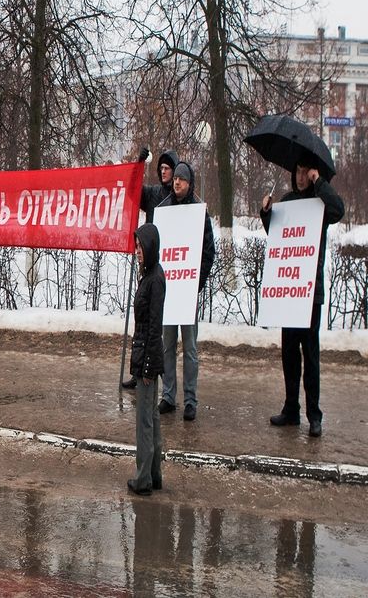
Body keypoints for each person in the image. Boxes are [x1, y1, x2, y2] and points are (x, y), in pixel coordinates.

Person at [260, 152, 345, 438]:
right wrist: (266, 214)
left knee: (310, 355)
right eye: (297, 171)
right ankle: (291, 409)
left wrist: (319, 182)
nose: (300, 176)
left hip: (310, 292)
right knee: (288, 355)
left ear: (313, 173)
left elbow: (339, 210)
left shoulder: (321, 203)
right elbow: (279, 238)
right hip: (289, 292)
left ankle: (314, 414)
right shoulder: (287, 202)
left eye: (305, 171)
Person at [155, 161, 215, 420]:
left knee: (189, 349)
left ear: (189, 183)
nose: (176, 182)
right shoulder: (164, 209)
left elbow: (207, 253)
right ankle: (169, 395)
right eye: (175, 178)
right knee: (167, 346)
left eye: (182, 178)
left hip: (188, 292)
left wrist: (196, 283)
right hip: (169, 292)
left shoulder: (198, 213)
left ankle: (190, 400)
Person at [122, 148, 179, 390]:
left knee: (163, 330)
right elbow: (133, 191)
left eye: (168, 168)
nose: (164, 171)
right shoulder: (155, 194)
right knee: (143, 320)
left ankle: (166, 387)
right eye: (162, 168)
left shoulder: (180, 198)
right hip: (150, 263)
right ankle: (138, 371)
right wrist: (138, 164)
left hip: (173, 266)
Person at [127, 223, 165, 496]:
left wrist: (149, 367)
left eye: (141, 246)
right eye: (136, 246)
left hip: (146, 358)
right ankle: (153, 474)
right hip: (145, 355)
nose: (137, 251)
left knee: (144, 423)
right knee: (151, 419)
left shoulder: (154, 279)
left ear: (151, 246)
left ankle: (143, 480)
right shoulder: (151, 275)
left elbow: (154, 328)